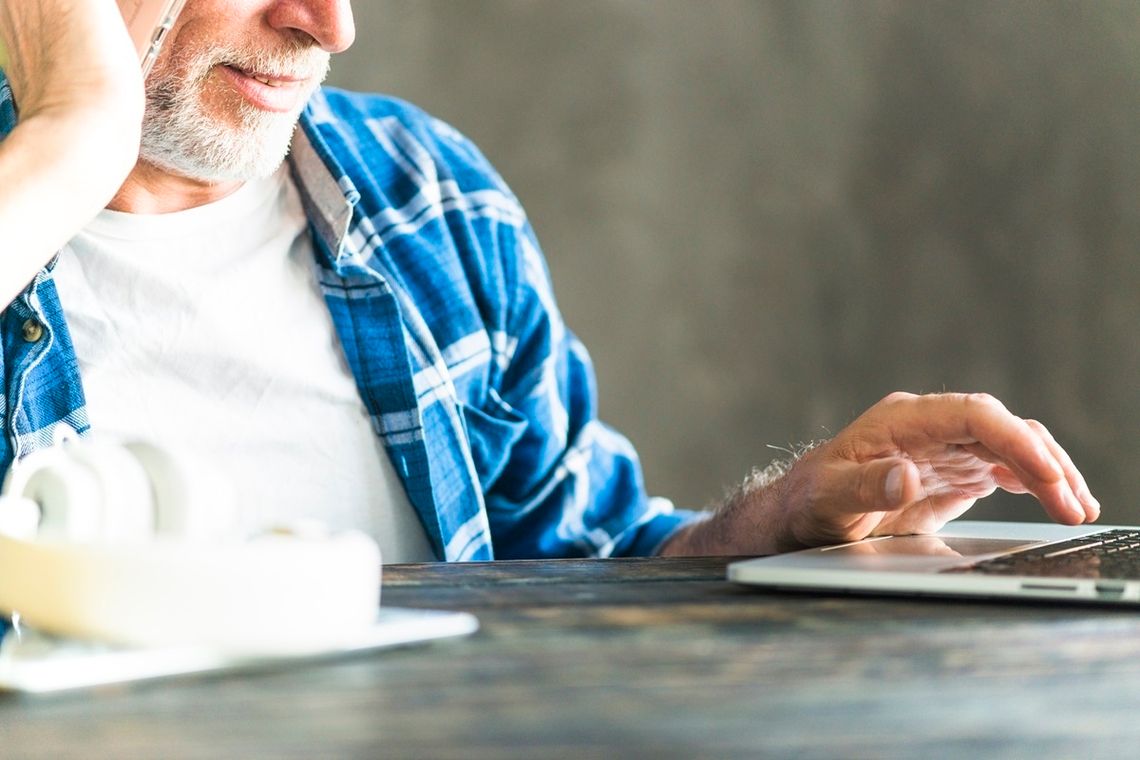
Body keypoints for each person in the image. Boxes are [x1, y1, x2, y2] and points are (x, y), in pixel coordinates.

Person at [0, 0, 1099, 562]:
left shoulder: (428, 197)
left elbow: (583, 568)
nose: (331, 24)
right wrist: (73, 137)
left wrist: (785, 520)